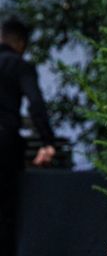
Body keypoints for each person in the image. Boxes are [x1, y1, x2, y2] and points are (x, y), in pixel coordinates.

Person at [0, 18, 56, 253]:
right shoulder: (19, 65)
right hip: (4, 144)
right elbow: (35, 103)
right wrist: (47, 142)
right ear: (21, 43)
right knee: (5, 214)